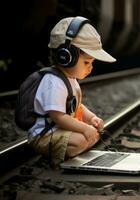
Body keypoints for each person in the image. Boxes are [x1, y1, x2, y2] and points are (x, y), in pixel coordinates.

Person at [28, 16, 116, 167]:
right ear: (66, 57)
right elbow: (58, 116)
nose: (91, 67)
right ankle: (58, 158)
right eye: (87, 62)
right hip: (44, 135)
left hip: (61, 132)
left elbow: (77, 106)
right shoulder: (54, 82)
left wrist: (91, 119)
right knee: (83, 139)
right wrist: (84, 128)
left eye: (92, 63)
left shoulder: (70, 78)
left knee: (93, 134)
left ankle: (74, 150)